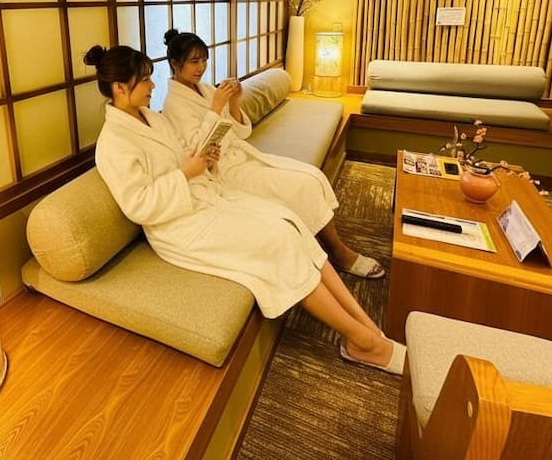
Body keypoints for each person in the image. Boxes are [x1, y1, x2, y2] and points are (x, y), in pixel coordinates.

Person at [84, 44, 404, 374]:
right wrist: (186, 173)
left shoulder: (151, 118)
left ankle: (367, 329)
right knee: (279, 240)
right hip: (177, 226)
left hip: (205, 195)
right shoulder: (114, 143)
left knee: (290, 222)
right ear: (120, 87)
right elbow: (139, 205)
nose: (153, 85)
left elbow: (181, 154)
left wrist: (200, 161)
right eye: (145, 80)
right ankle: (363, 343)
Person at [161, 28, 385, 279]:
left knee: (311, 176)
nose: (201, 67)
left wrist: (233, 102)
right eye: (194, 61)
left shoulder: (205, 89)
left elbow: (241, 132)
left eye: (204, 60)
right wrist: (215, 108)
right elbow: (197, 150)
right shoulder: (173, 103)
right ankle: (338, 252)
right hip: (223, 172)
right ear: (175, 64)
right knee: (301, 187)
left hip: (242, 156)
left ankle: (325, 246)